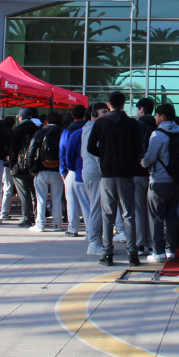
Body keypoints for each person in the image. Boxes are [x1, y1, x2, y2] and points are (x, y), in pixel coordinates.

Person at [87, 90, 144, 267]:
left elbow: (90, 147)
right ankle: (133, 254)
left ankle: (107, 253)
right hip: (127, 174)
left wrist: (103, 155)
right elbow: (138, 148)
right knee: (128, 215)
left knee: (108, 215)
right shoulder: (132, 124)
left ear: (109, 105)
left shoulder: (101, 123)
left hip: (107, 174)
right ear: (123, 105)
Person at [142, 102, 179, 263]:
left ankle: (158, 251)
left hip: (159, 181)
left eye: (156, 115)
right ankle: (170, 249)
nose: (154, 117)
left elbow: (150, 157)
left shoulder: (157, 135)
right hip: (176, 180)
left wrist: (143, 163)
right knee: (172, 215)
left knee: (156, 216)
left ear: (162, 117)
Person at [28, 111, 65, 232]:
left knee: (41, 198)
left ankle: (40, 224)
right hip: (58, 170)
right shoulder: (62, 133)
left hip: (42, 169)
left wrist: (32, 167)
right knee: (57, 197)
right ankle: (57, 224)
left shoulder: (40, 132)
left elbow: (32, 150)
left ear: (46, 121)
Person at [80, 102, 109, 255]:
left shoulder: (86, 129)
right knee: (97, 209)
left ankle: (94, 238)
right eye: (104, 111)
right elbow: (97, 155)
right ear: (94, 114)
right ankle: (94, 242)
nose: (107, 114)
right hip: (96, 173)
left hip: (89, 171)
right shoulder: (94, 130)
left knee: (95, 208)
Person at [8, 109, 41, 227]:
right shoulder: (38, 129)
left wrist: (12, 166)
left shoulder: (16, 131)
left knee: (24, 194)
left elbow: (13, 150)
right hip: (34, 166)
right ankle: (39, 216)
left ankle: (27, 218)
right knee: (35, 193)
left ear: (21, 118)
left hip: (19, 167)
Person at [59, 104, 87, 237]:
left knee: (71, 200)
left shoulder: (69, 131)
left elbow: (63, 152)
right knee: (89, 203)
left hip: (73, 169)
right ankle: (90, 228)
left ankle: (73, 227)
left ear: (72, 115)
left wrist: (64, 170)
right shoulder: (89, 129)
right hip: (88, 169)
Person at [135, 97, 157, 255]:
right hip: (154, 172)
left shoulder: (136, 125)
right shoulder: (157, 125)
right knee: (152, 210)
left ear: (141, 109)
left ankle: (140, 243)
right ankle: (152, 243)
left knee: (138, 209)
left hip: (137, 172)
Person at [1, 116, 17, 219]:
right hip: (8, 164)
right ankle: (4, 212)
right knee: (8, 188)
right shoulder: (12, 134)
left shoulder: (0, 133)